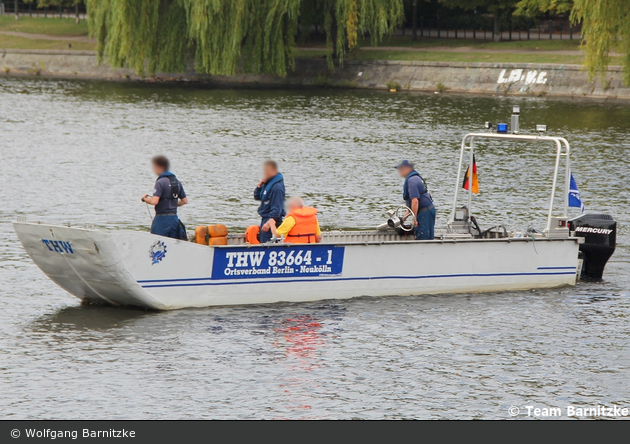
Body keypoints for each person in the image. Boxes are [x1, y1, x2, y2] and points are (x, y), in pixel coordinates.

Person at [141, 155, 188, 239]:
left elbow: (154, 201)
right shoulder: (177, 182)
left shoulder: (160, 182)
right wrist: (172, 204)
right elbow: (184, 201)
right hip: (174, 219)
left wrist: (144, 199)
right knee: (173, 245)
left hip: (161, 220)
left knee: (156, 243)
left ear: (160, 167)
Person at [395, 160, 436, 240]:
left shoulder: (412, 182)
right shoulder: (415, 178)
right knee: (426, 234)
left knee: (423, 236)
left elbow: (415, 201)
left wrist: (414, 219)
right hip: (426, 211)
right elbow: (410, 206)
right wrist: (402, 219)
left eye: (401, 169)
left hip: (424, 213)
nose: (399, 172)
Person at [254, 160, 286, 243]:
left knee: (267, 245)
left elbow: (277, 208)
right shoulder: (267, 183)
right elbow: (257, 196)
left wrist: (270, 223)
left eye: (267, 171)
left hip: (272, 221)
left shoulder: (277, 188)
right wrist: (259, 185)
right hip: (265, 218)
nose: (265, 173)